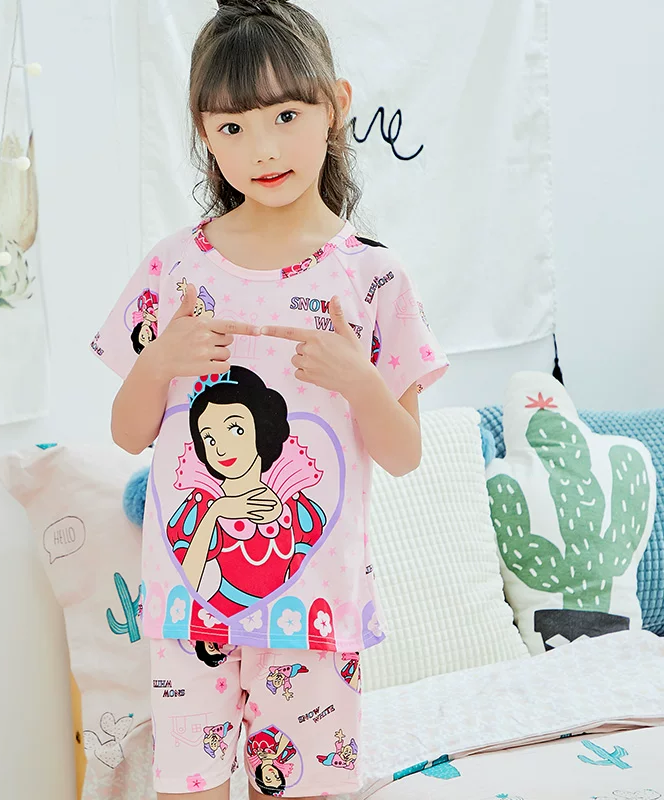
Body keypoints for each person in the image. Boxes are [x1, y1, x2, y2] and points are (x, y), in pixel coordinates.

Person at [91, 1, 449, 797]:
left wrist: (359, 380)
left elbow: (404, 455)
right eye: (232, 126)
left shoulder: (373, 277)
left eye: (286, 115)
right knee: (187, 789)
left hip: (312, 611)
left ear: (336, 105)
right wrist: (162, 362)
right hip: (192, 606)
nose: (263, 149)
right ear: (203, 132)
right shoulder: (175, 267)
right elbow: (126, 432)